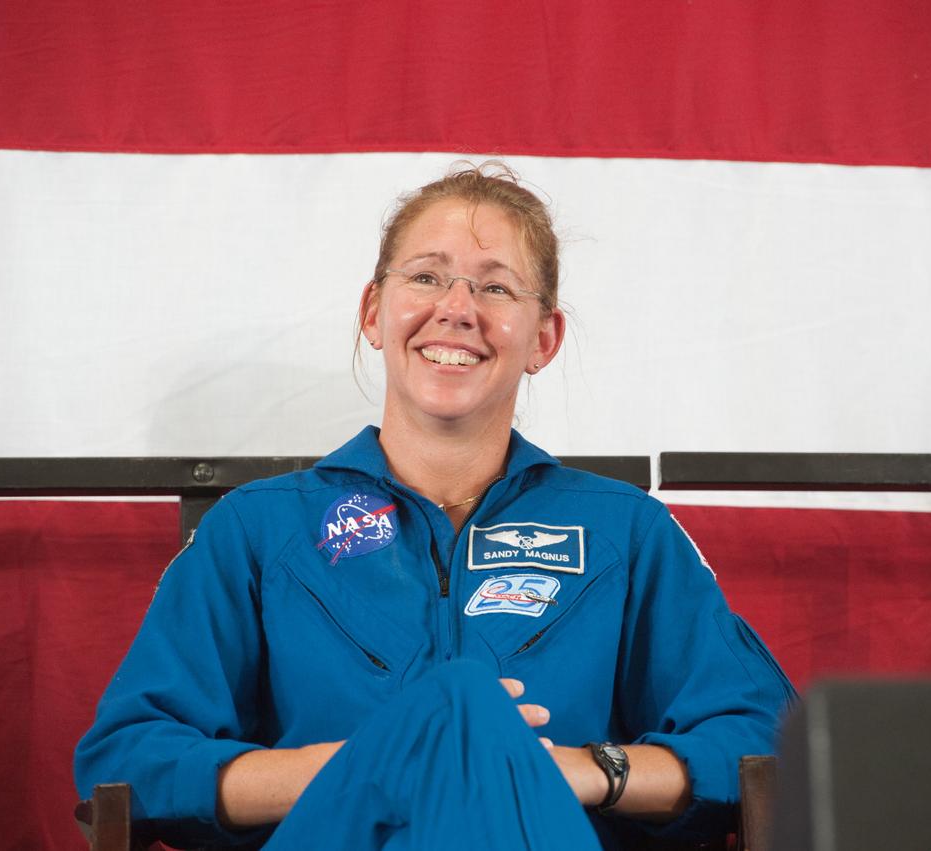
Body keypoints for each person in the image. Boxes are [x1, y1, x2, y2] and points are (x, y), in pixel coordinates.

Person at [74, 162, 795, 849]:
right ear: (373, 311)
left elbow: (766, 738)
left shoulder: (626, 532)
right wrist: (379, 758)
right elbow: (128, 758)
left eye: (496, 288)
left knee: (463, 705)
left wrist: (579, 769)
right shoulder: (257, 530)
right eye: (426, 276)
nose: (456, 309)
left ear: (544, 337)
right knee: (459, 703)